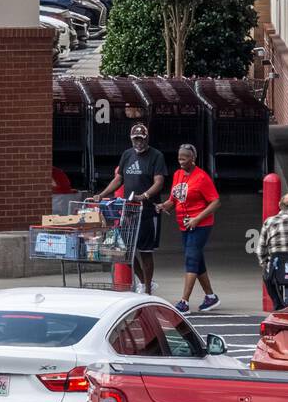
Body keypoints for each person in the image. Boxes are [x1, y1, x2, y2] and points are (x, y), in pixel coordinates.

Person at [88, 123, 167, 294]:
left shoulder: (156, 156)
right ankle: (143, 281)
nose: (138, 142)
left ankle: (147, 289)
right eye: (135, 139)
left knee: (145, 251)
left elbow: (159, 181)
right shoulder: (127, 155)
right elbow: (118, 179)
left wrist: (144, 196)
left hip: (146, 210)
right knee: (123, 250)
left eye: (141, 138)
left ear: (146, 138)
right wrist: (102, 194)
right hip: (129, 209)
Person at [157, 144, 220, 314]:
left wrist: (197, 218)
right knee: (196, 260)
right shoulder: (177, 175)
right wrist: (164, 206)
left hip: (200, 225)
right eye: (179, 157)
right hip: (184, 225)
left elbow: (215, 201)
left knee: (191, 259)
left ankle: (184, 301)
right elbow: (174, 199)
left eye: (185, 158)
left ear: (193, 159)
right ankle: (211, 297)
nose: (181, 161)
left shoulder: (201, 177)